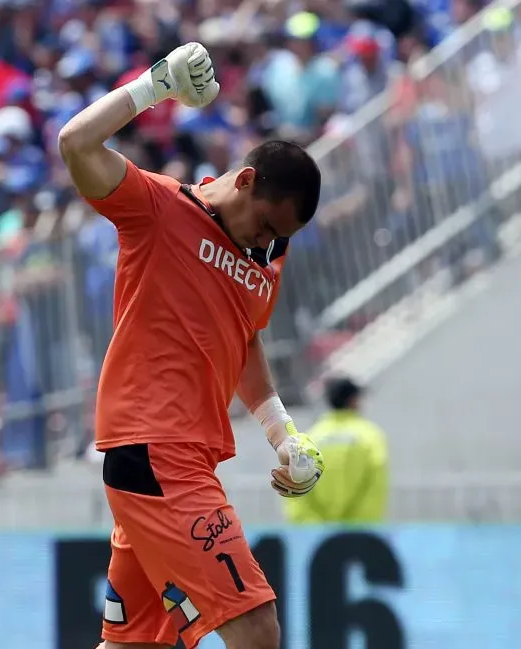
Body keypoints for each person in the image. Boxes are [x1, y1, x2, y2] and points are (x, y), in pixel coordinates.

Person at [57, 43, 326, 649]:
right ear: (247, 180)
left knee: (133, 646)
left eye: (280, 238)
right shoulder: (159, 208)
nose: (268, 243)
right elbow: (75, 143)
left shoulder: (263, 259)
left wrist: (283, 434)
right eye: (266, 225)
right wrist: (155, 87)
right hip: (156, 450)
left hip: (182, 458)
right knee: (256, 627)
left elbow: (243, 340)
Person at [283, 376, 389, 524]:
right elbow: (375, 485)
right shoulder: (370, 436)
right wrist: (361, 525)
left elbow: (296, 486)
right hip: (358, 534)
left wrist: (310, 526)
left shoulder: (311, 437)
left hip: (317, 536)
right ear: (353, 400)